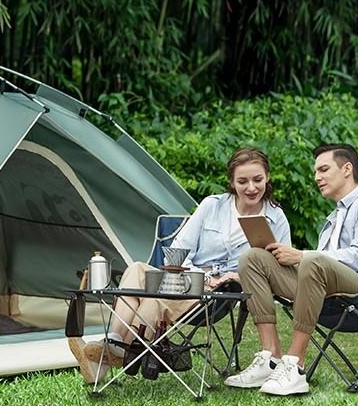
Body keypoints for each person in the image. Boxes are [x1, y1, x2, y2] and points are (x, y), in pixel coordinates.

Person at [69, 147, 291, 383]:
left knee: (155, 297)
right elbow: (176, 253)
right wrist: (198, 274)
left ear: (267, 177)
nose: (251, 188)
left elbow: (277, 271)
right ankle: (115, 342)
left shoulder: (276, 218)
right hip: (188, 277)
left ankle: (117, 349)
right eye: (242, 181)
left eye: (257, 180)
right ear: (232, 182)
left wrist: (235, 277)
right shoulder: (212, 206)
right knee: (136, 269)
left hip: (219, 294)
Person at [223, 143, 358, 395]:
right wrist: (290, 259)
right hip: (326, 298)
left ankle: (294, 365)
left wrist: (301, 256)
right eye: (316, 171)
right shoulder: (332, 220)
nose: (317, 177)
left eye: (324, 169)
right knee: (252, 257)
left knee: (313, 261)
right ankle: (270, 357)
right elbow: (318, 269)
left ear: (347, 168)